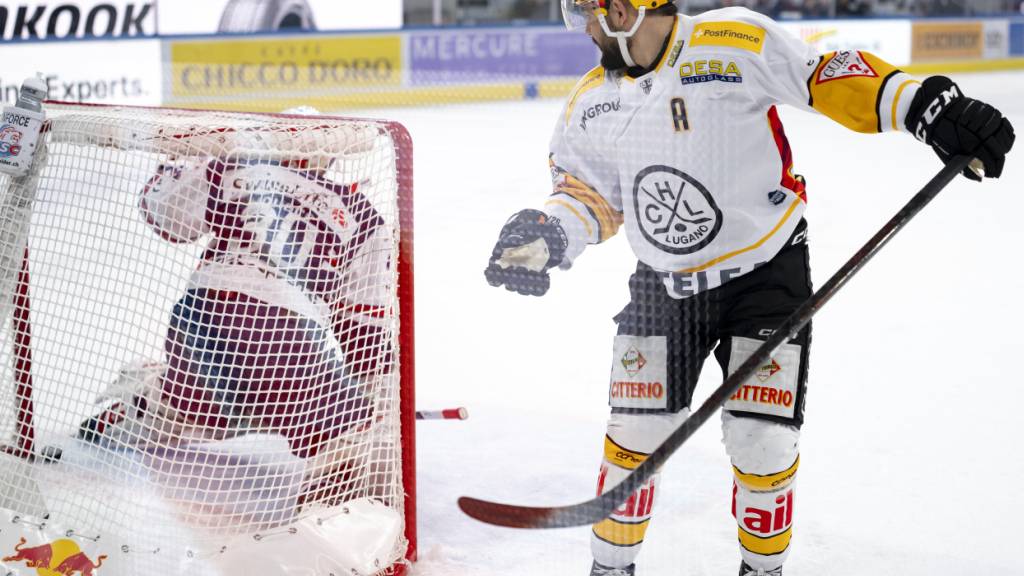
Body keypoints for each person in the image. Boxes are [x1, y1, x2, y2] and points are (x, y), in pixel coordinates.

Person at [484, 2, 1014, 575]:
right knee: (633, 435)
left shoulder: (733, 40)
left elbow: (827, 77)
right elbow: (590, 198)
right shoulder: (592, 102)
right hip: (662, 288)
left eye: (586, 12)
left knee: (762, 443)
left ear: (622, 9)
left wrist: (927, 108)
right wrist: (546, 237)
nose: (583, 28)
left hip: (766, 276)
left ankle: (763, 572)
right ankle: (610, 571)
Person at [79, 107, 396, 506]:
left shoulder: (230, 169)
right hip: (284, 339)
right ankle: (335, 521)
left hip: (198, 319)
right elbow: (363, 329)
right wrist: (375, 406)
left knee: (200, 408)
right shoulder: (364, 216)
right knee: (351, 441)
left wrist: (186, 161)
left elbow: (165, 217)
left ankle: (138, 412)